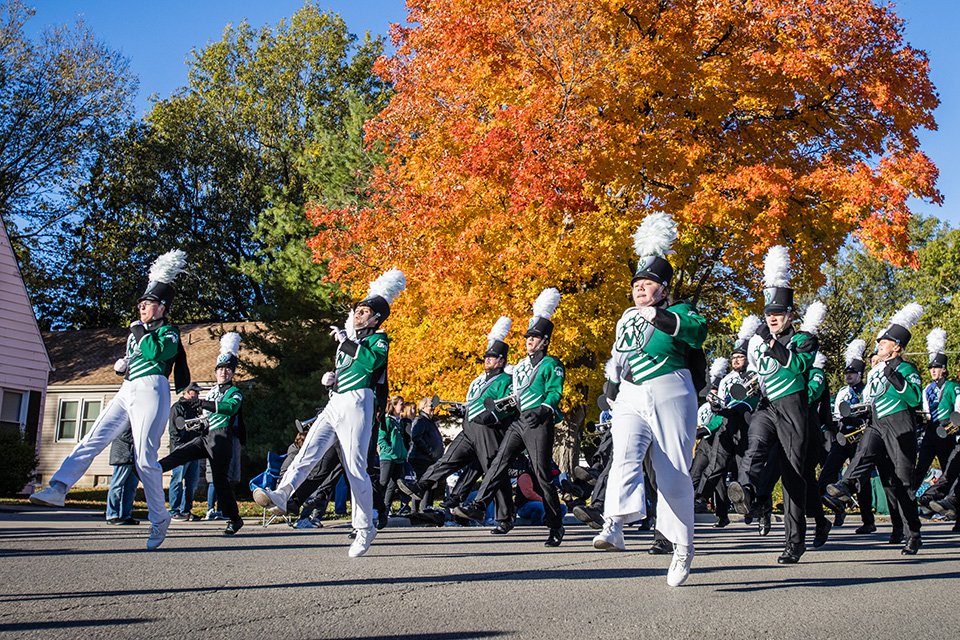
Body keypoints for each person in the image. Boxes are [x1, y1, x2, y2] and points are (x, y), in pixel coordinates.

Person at [30, 250, 190, 550]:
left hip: (152, 389)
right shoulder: (136, 333)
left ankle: (159, 517)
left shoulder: (168, 331)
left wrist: (141, 336)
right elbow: (136, 357)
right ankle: (59, 488)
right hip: (128, 389)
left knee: (144, 456)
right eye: (141, 305)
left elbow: (159, 354)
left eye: (148, 304)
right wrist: (123, 364)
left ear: (162, 307)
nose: (142, 308)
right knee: (93, 436)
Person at [253, 269, 406, 557]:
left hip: (359, 403)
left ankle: (364, 527)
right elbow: (346, 372)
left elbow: (373, 364)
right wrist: (330, 380)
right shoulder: (350, 341)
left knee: (355, 469)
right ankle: (282, 493)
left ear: (375, 318)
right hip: (337, 402)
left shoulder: (379, 339)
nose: (357, 314)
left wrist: (347, 342)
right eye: (357, 310)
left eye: (363, 311)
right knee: (308, 451)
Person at [590, 212, 707, 587]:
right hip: (631, 392)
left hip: (671, 387)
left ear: (665, 288)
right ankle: (615, 524)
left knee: (672, 470)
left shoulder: (678, 310)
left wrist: (660, 317)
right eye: (638, 282)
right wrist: (611, 384)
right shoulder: (626, 317)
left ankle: (682, 547)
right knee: (623, 451)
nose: (641, 287)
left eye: (650, 282)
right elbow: (619, 354)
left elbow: (697, 332)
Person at [727, 246, 819, 564]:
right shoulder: (763, 344)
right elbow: (760, 379)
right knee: (755, 441)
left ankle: (795, 542)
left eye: (777, 314)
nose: (772, 318)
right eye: (768, 314)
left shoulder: (804, 339)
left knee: (793, 477)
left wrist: (768, 342)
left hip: (794, 408)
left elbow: (795, 367)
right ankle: (747, 491)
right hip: (768, 405)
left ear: (790, 315)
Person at [454, 289, 566, 547]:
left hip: (539, 422)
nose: (529, 340)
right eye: (528, 336)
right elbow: (515, 397)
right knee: (498, 461)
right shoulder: (522, 366)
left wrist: (545, 409)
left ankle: (556, 523)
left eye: (535, 337)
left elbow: (554, 393)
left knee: (542, 474)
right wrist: (493, 413)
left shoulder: (552, 363)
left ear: (545, 341)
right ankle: (479, 505)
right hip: (519, 421)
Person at [823, 303, 925, 554]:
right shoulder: (875, 371)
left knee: (901, 483)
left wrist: (894, 375)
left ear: (897, 347)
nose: (880, 343)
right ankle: (846, 485)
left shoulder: (907, 369)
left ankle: (912, 533)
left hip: (900, 424)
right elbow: (871, 397)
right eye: (880, 341)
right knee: (864, 453)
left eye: (885, 341)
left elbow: (913, 398)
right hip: (877, 421)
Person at [398, 316, 516, 530]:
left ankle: (505, 517)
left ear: (502, 360)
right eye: (486, 357)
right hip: (470, 426)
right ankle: (420, 485)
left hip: (489, 430)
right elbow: (471, 403)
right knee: (448, 460)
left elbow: (508, 405)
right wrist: (460, 409)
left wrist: (493, 415)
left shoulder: (506, 381)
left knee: (493, 471)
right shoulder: (479, 380)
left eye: (492, 358)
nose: (487, 361)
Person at [160, 333, 245, 535]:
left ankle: (234, 519)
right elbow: (207, 417)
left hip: (222, 438)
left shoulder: (235, 392)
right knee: (179, 454)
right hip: (207, 436)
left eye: (227, 370)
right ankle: (152, 469)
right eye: (220, 369)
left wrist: (202, 403)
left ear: (232, 374)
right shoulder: (213, 391)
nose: (223, 373)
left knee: (220, 481)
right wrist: (198, 424)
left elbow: (229, 408)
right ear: (215, 372)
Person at [695, 319, 760, 529]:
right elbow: (721, 403)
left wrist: (726, 409)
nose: (736, 361)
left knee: (744, 470)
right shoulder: (725, 380)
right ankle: (699, 499)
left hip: (745, 426)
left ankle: (750, 507)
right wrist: (715, 412)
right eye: (734, 358)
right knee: (715, 466)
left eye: (740, 357)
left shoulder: (755, 376)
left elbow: (749, 403)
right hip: (725, 426)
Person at [819, 339, 875, 533]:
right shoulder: (843, 391)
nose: (848, 376)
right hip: (843, 435)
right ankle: (835, 507)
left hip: (861, 435)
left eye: (852, 373)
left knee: (860, 479)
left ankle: (868, 521)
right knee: (826, 474)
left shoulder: (867, 390)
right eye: (846, 373)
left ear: (860, 374)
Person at [913, 328, 958, 490]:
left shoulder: (952, 386)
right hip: (931, 431)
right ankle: (911, 500)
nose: (932, 371)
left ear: (944, 369)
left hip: (947, 429)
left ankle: (948, 502)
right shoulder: (927, 389)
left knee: (948, 468)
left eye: (936, 367)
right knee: (921, 467)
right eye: (931, 368)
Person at [167, 381, 203, 521]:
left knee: (191, 483)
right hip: (181, 451)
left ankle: (186, 510)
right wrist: (179, 449)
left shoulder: (193, 409)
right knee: (177, 480)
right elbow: (174, 431)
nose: (198, 394)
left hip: (193, 450)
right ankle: (174, 511)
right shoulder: (178, 408)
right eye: (196, 392)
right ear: (187, 392)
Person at [105, 428, 140, 525]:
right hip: (122, 455)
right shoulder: (124, 418)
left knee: (131, 488)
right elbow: (123, 435)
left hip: (134, 457)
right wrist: (141, 439)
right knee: (117, 486)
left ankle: (126, 515)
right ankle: (112, 515)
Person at [379, 396, 408, 514]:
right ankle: (377, 507)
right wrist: (390, 451)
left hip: (399, 458)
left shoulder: (400, 422)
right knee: (384, 482)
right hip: (388, 458)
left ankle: (386, 508)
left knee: (393, 484)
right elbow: (381, 439)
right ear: (394, 406)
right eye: (401, 404)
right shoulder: (387, 421)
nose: (403, 406)